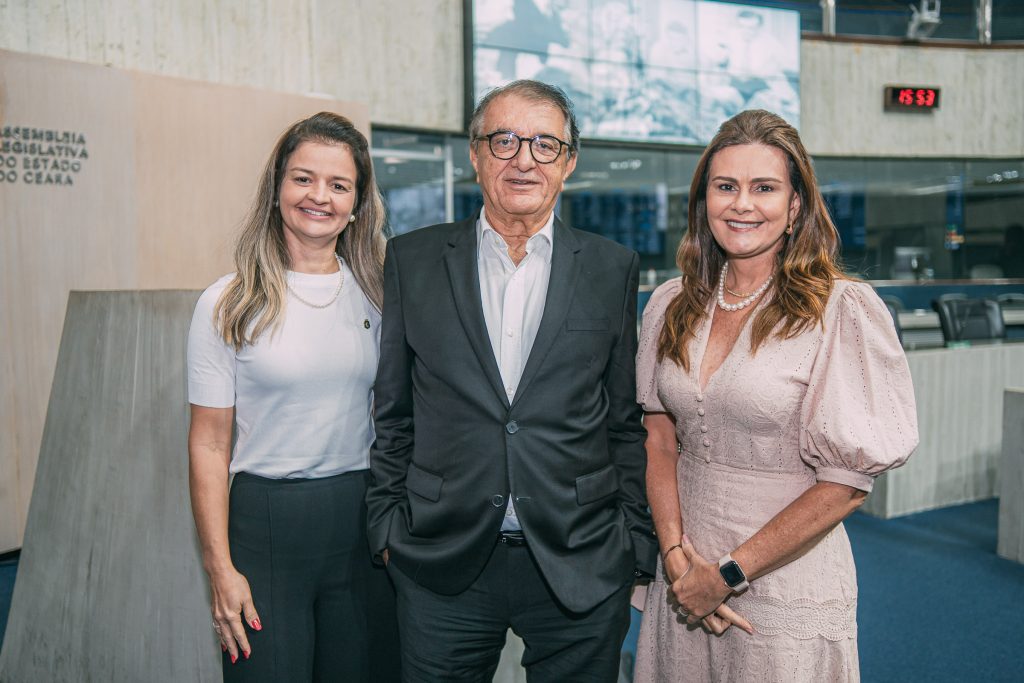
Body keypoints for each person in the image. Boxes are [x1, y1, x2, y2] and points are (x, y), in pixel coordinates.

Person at [366, 79, 657, 682]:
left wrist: (634, 544)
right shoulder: (413, 261)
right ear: (475, 155)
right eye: (504, 140)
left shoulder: (611, 268)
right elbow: (393, 411)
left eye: (545, 144)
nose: (524, 160)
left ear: (568, 163)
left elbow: (623, 422)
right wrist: (387, 526)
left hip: (579, 559)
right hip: (440, 560)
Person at [633, 109, 918, 682]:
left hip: (782, 577)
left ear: (794, 207)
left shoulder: (839, 309)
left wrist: (727, 575)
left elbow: (845, 485)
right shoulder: (671, 303)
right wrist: (676, 557)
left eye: (764, 187)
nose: (742, 204)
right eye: (725, 187)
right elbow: (658, 440)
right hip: (684, 572)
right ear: (703, 202)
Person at [187, 112, 399, 682]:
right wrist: (219, 568)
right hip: (266, 525)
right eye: (303, 178)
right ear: (277, 186)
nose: (319, 197)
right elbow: (209, 445)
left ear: (357, 203)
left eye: (338, 185)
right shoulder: (227, 303)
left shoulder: (381, 296)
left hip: (361, 520)